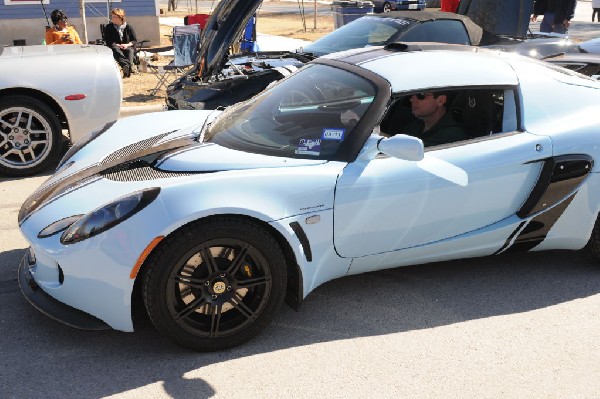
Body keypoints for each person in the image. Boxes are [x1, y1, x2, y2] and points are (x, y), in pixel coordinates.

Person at [402, 92, 468, 147]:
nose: (412, 99)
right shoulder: (413, 127)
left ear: (440, 100)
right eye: (412, 93)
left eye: (421, 95)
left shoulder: (452, 136)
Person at [104, 8, 138, 78]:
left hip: (127, 47)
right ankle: (127, 66)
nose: (112, 19)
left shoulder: (129, 27)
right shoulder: (109, 27)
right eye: (112, 17)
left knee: (130, 50)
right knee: (115, 49)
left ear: (120, 18)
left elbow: (134, 40)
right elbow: (108, 40)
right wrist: (117, 45)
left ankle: (126, 68)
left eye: (114, 17)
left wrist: (127, 45)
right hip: (115, 46)